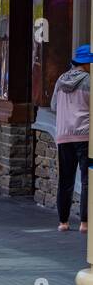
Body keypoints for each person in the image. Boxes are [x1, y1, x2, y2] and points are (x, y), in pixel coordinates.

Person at [53, 45, 93, 233]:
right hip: (85, 134)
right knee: (87, 179)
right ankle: (84, 223)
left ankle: (63, 222)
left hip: (63, 135)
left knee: (65, 179)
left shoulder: (60, 80)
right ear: (87, 63)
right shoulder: (89, 81)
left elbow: (53, 106)